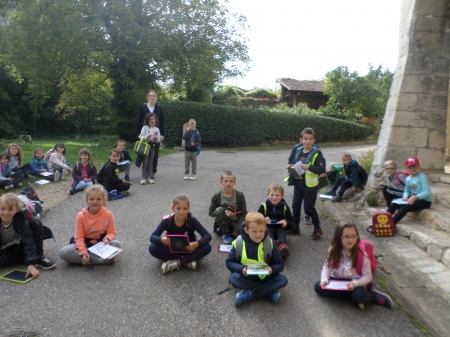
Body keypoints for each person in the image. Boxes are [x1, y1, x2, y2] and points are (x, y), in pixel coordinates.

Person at [314, 222, 392, 309]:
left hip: (355, 282)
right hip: (338, 280)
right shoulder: (333, 250)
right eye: (346, 237)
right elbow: (327, 267)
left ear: (357, 236)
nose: (350, 240)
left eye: (353, 236)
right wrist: (324, 279)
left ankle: (373, 296)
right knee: (318, 287)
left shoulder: (362, 253)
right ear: (339, 237)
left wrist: (354, 284)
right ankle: (351, 298)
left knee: (359, 296)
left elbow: (368, 276)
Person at [225, 212, 288, 306]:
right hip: (246, 277)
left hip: (266, 277)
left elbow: (280, 264)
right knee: (233, 278)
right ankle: (268, 291)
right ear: (246, 230)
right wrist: (241, 269)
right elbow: (229, 262)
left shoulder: (269, 242)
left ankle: (249, 294)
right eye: (254, 231)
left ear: (265, 229)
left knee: (283, 279)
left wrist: (272, 269)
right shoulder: (238, 242)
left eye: (261, 231)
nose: (258, 235)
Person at [149, 193, 212, 274]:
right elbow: (152, 237)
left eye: (185, 208)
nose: (181, 212)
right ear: (173, 208)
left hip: (189, 249)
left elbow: (208, 236)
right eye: (178, 208)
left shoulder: (191, 220)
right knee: (152, 248)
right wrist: (161, 240)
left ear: (188, 209)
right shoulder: (167, 220)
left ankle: (177, 263)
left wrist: (196, 244)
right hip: (172, 249)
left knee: (208, 247)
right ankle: (186, 261)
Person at [59, 184, 121, 265]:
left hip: (101, 243)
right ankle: (99, 260)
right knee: (63, 252)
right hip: (85, 242)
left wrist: (107, 239)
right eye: (91, 199)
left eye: (98, 199)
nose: (95, 201)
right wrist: (83, 252)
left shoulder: (108, 214)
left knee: (116, 244)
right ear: (86, 200)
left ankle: (84, 260)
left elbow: (111, 232)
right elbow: (79, 237)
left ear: (104, 200)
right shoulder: (81, 216)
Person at [0, 193, 56, 277]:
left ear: (17, 209)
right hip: (6, 250)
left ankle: (38, 256)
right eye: (2, 209)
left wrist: (30, 264)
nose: (6, 212)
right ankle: (29, 258)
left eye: (10, 209)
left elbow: (28, 240)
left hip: (21, 245)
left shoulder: (21, 219)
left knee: (36, 223)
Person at [286, 127, 326, 240]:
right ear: (301, 140)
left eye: (310, 139)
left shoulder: (317, 153)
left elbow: (321, 170)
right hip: (298, 184)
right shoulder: (298, 150)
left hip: (310, 186)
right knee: (295, 206)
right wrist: (289, 167)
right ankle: (295, 227)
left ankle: (318, 229)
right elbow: (293, 163)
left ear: (314, 141)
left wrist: (309, 167)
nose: (307, 141)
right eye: (305, 139)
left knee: (309, 208)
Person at [386, 157, 432, 224]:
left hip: (425, 201)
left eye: (415, 166)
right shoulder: (408, 179)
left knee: (404, 208)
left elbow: (427, 192)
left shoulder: (422, 177)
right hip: (414, 199)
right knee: (394, 204)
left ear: (419, 166)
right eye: (411, 167)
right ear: (406, 168)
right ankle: (384, 218)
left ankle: (391, 223)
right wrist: (405, 196)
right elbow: (406, 190)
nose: (414, 168)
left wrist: (414, 197)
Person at [208, 170, 248, 244]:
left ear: (234, 182)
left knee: (249, 233)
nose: (228, 183)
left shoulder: (240, 196)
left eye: (231, 181)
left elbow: (244, 213)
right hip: (223, 222)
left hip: (236, 221)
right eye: (225, 181)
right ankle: (225, 231)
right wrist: (225, 211)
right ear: (221, 182)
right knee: (219, 210)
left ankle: (232, 231)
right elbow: (211, 212)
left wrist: (237, 230)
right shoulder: (216, 196)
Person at [257, 183, 293, 260]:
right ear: (267, 194)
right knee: (269, 238)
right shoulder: (264, 206)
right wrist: (263, 220)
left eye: (277, 195)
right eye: (272, 195)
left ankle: (282, 250)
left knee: (282, 238)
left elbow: (291, 222)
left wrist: (286, 221)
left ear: (282, 196)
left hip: (280, 227)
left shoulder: (284, 206)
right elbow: (256, 219)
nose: (274, 197)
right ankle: (269, 250)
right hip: (268, 227)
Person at [136, 90, 165, 177]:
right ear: (148, 97)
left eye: (154, 96)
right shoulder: (143, 107)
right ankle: (144, 171)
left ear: (156, 97)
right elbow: (139, 120)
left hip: (156, 134)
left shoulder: (159, 108)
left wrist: (162, 134)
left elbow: (162, 122)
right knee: (145, 153)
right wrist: (138, 134)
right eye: (150, 96)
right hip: (145, 133)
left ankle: (152, 171)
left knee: (155, 153)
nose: (152, 97)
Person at [139, 112, 161, 185]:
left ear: (155, 120)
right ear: (148, 120)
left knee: (151, 162)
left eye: (154, 119)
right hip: (145, 147)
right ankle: (143, 177)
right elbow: (141, 137)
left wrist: (156, 138)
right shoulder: (145, 127)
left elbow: (158, 140)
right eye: (151, 119)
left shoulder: (157, 129)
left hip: (153, 147)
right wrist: (146, 136)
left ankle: (149, 177)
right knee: (145, 162)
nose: (152, 121)